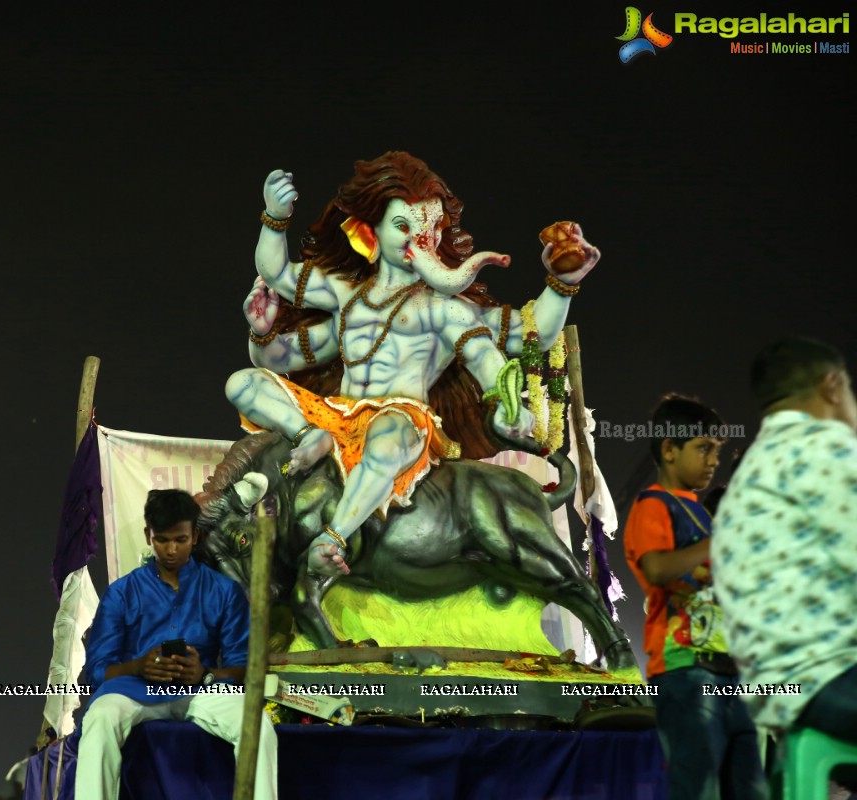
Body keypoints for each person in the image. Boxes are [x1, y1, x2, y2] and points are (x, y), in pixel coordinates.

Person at [227, 152, 599, 578]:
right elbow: (276, 321)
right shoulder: (348, 298)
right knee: (242, 383)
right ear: (368, 234)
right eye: (402, 227)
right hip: (338, 420)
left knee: (388, 437)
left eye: (427, 231)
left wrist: (562, 284)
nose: (415, 243)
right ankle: (310, 435)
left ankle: (333, 540)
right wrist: (274, 223)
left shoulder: (443, 311)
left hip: (403, 422)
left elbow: (528, 335)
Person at [75, 489, 278, 800]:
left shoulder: (224, 591)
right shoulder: (121, 593)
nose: (171, 549)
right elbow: (98, 671)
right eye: (162, 539)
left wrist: (205, 674)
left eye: (180, 540)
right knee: (100, 718)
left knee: (258, 727)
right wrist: (139, 667)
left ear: (194, 536)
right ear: (148, 535)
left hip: (202, 692)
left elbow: (243, 667)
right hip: (135, 692)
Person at [712, 337, 857, 744]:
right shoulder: (825, 447)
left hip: (772, 692)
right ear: (832, 386)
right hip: (828, 680)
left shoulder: (750, 472)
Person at [623, 393, 767, 800]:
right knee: (699, 789)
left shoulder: (701, 514)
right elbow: (657, 569)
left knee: (751, 788)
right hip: (686, 669)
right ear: (669, 450)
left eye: (717, 451)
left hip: (730, 671)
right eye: (703, 448)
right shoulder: (653, 506)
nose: (712, 461)